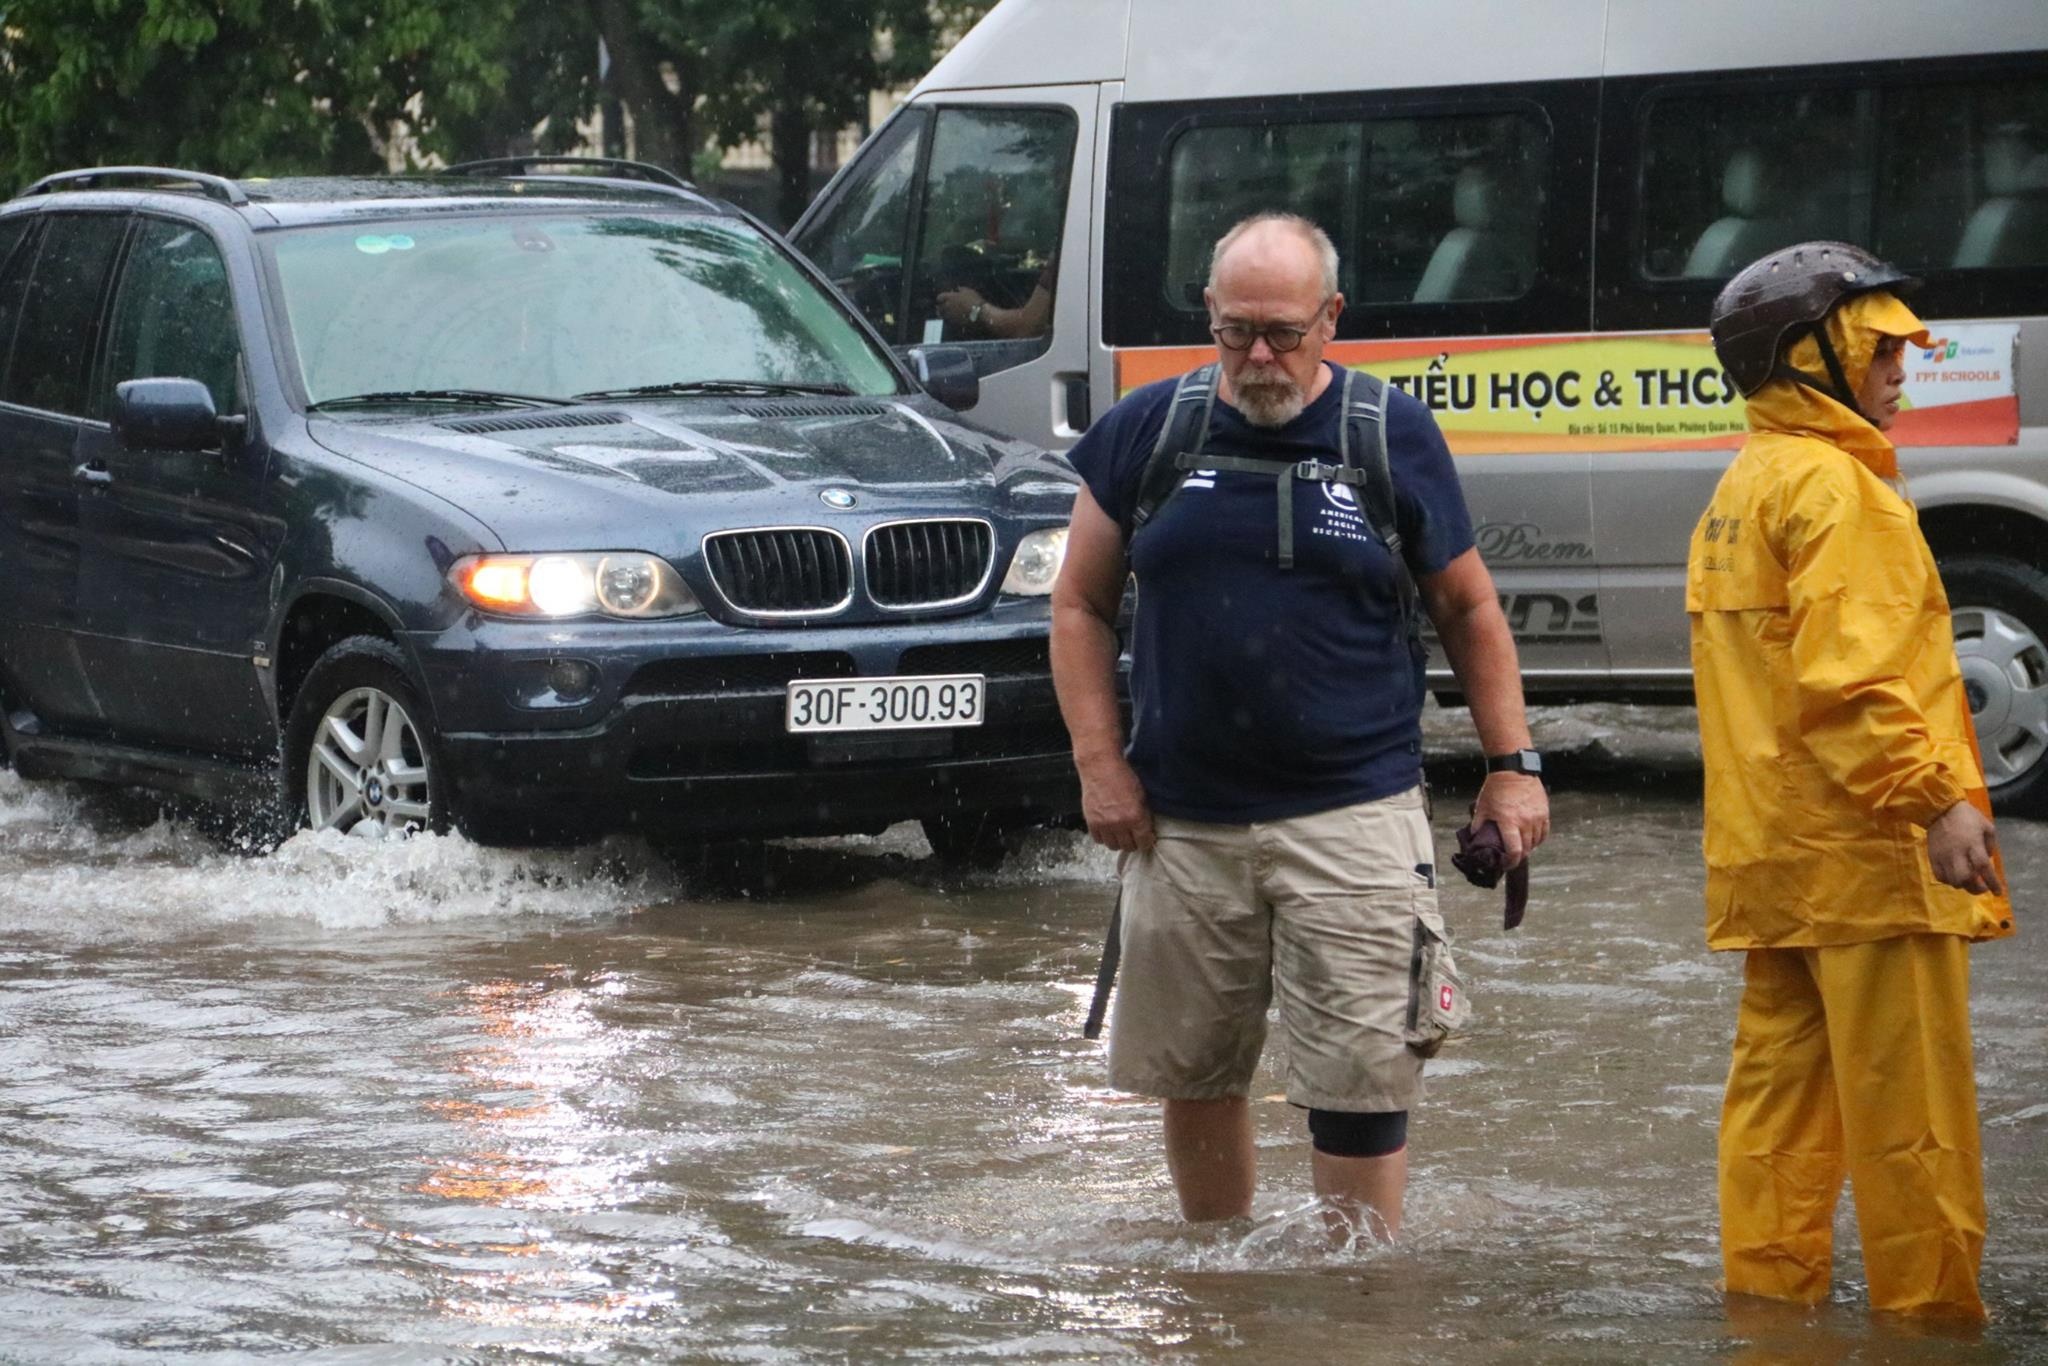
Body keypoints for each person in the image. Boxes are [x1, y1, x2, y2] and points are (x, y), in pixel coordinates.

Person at [1049, 213, 1549, 1237]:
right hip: (1179, 824)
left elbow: (1466, 608)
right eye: (1235, 332)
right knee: (1192, 1070)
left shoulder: (1387, 433)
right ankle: (1221, 1289)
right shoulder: (1149, 433)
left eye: (1282, 331)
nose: (1259, 357)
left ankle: (1352, 1305)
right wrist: (1099, 765)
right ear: (1209, 318)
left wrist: (1511, 768)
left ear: (1332, 318)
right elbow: (1078, 605)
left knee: (1362, 1083)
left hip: (1353, 816)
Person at [1689, 241, 2016, 1318]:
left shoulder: (1743, 486)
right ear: (1806, 355)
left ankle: (1769, 1321)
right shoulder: (1842, 493)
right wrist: (1936, 799)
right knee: (1910, 1121)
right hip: (1868, 859)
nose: (1896, 371)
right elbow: (1851, 682)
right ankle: (1929, 1330)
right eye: (1875, 348)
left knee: (1775, 1124)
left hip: (1774, 864)